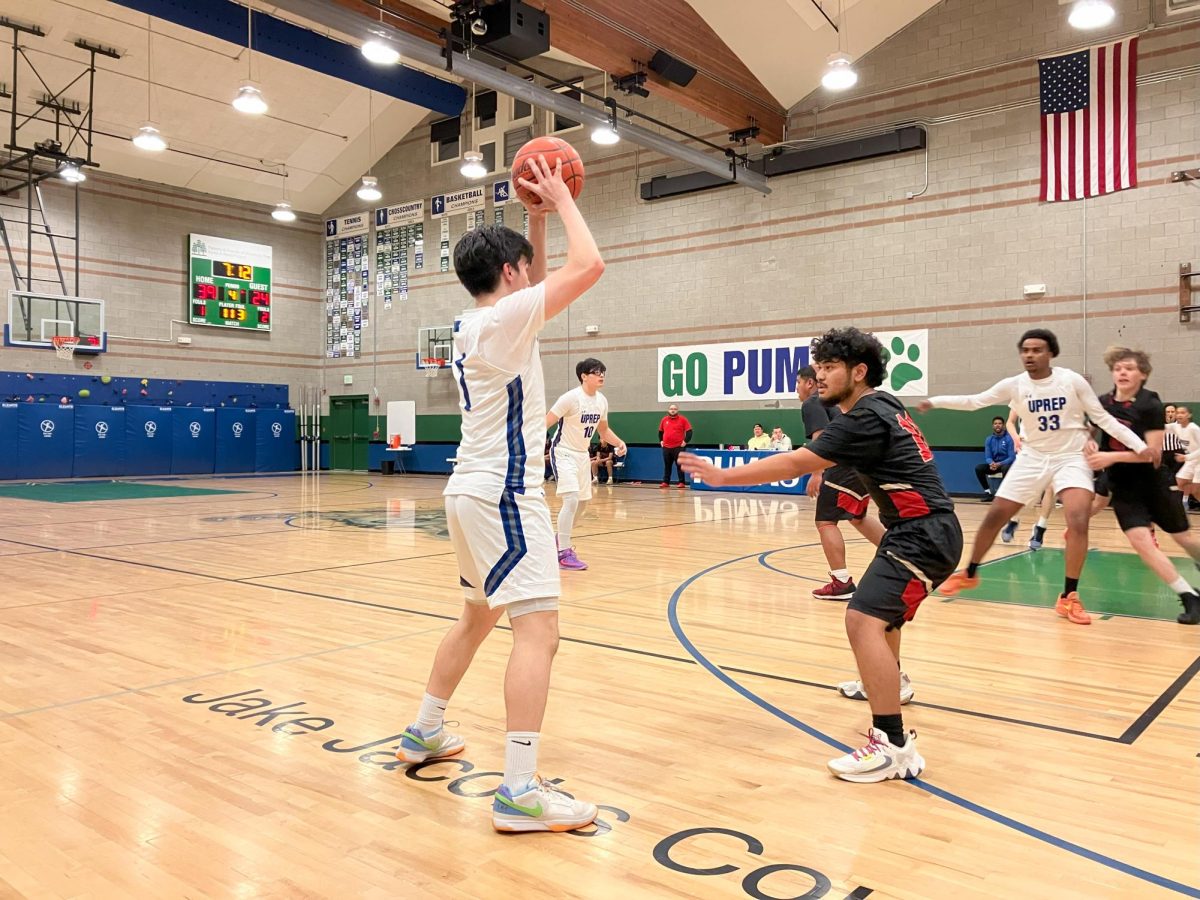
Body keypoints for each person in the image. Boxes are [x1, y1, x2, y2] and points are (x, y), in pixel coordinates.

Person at [396, 155, 604, 833]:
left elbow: (539, 280)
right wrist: (562, 202)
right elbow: (590, 266)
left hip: (470, 491)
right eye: (523, 266)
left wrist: (534, 222)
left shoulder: (475, 323)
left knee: (476, 617)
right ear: (509, 276)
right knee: (539, 632)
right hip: (505, 497)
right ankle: (519, 791)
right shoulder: (504, 321)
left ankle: (426, 730)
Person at [682, 329, 962, 783]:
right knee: (882, 620)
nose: (820, 375)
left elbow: (795, 463)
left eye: (831, 367)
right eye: (819, 366)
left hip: (923, 535)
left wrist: (720, 476)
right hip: (917, 531)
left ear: (859, 372)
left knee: (861, 620)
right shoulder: (884, 403)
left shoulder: (866, 416)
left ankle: (891, 746)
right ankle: (894, 685)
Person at [923, 329, 1149, 625]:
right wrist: (935, 401)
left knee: (1078, 518)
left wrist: (1141, 446)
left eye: (1037, 350)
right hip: (1033, 457)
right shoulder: (1015, 385)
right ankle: (971, 572)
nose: (1030, 355)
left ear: (1051, 353)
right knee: (995, 516)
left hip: (1070, 457)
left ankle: (1069, 596)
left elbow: (1102, 418)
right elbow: (975, 401)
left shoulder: (1071, 380)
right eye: (1025, 350)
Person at [1083, 347, 1200, 625]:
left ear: (1143, 374)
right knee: (1143, 543)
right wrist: (1087, 441)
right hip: (1123, 487)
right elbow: (1088, 431)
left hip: (1154, 484)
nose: (1122, 372)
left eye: (1130, 368)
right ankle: (1189, 596)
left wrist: (1109, 456)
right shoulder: (1101, 403)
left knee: (1184, 539)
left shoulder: (1151, 405)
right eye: (1118, 368)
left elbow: (1153, 453)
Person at [796, 365, 887, 604]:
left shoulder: (813, 402)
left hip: (843, 464)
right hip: (863, 462)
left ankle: (842, 582)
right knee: (857, 516)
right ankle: (899, 554)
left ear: (809, 383)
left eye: (797, 383)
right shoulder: (833, 402)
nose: (796, 389)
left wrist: (817, 473)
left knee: (825, 521)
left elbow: (820, 439)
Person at [546, 357, 627, 571]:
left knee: (582, 504)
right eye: (596, 372)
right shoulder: (570, 398)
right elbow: (545, 422)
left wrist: (619, 442)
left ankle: (559, 539)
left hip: (582, 455)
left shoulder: (601, 401)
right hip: (563, 452)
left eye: (603, 372)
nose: (601, 375)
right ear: (584, 376)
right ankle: (563, 552)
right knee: (571, 499)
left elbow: (603, 431)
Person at [975, 416, 1016, 501]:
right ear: (993, 426)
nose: (997, 425)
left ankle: (1004, 495)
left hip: (1005, 464)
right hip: (995, 465)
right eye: (995, 424)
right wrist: (991, 463)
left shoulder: (1009, 438)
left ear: (1003, 425)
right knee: (979, 468)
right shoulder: (989, 439)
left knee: (1006, 468)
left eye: (1000, 423)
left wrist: (999, 464)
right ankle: (988, 493)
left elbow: (1012, 457)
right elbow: (988, 456)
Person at [1169, 405, 1200, 509]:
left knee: (1196, 491)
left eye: (1182, 413)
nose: (1179, 415)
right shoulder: (1175, 427)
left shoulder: (1194, 428)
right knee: (1180, 482)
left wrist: (1186, 457)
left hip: (1197, 460)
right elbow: (1161, 427)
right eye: (1177, 413)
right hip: (1191, 461)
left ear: (1189, 415)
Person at [659, 403, 692, 489]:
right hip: (666, 447)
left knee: (680, 465)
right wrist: (661, 441)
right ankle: (666, 482)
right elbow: (660, 431)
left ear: (677, 410)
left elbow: (689, 431)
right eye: (671, 409)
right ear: (668, 410)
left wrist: (685, 441)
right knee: (667, 465)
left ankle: (681, 482)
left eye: (674, 409)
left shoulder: (683, 419)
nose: (672, 410)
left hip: (678, 447)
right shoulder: (664, 420)